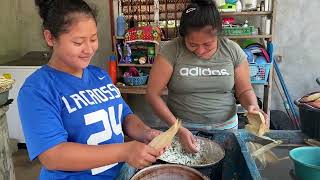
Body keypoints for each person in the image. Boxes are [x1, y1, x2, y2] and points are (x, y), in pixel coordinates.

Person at [18, 0, 164, 179]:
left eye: (93, 39)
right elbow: (52, 155)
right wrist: (125, 151)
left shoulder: (99, 76)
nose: (89, 49)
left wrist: (145, 132)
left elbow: (124, 116)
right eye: (78, 42)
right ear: (50, 38)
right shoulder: (37, 89)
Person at [146, 0, 269, 153]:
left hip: (226, 129)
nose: (200, 51)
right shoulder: (171, 50)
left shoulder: (232, 50)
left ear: (218, 33)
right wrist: (177, 128)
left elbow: (244, 90)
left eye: (208, 44)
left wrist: (252, 106)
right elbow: (152, 94)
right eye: (192, 44)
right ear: (183, 36)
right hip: (181, 129)